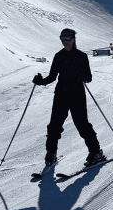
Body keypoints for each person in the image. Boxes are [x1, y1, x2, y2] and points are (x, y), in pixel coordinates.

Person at [33, 28, 105, 168]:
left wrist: (79, 76)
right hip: (61, 94)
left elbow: (88, 77)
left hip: (77, 94)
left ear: (73, 39)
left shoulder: (81, 56)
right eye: (62, 38)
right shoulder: (58, 56)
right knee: (54, 126)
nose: (64, 41)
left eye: (67, 38)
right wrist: (40, 81)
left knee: (82, 125)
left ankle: (95, 152)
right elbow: (52, 77)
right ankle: (51, 153)